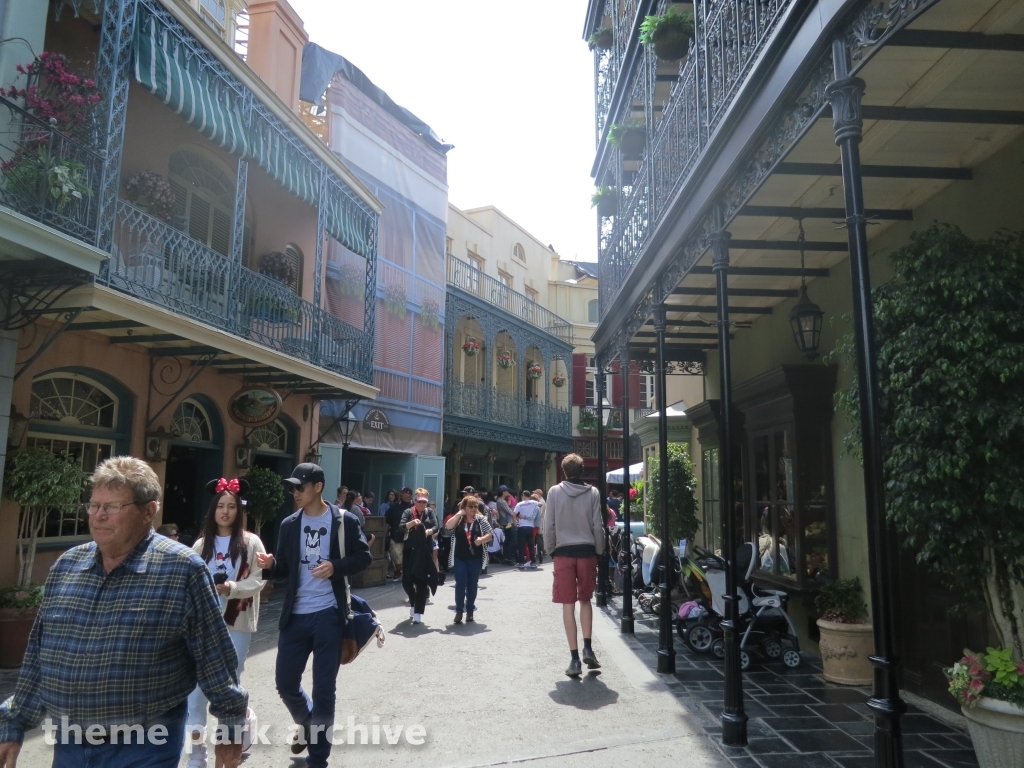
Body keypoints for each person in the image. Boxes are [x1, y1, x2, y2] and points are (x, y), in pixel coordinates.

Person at [0, 456, 248, 768]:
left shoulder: (181, 570)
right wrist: (14, 723)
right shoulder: (67, 566)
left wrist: (230, 728)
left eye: (113, 507)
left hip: (145, 746)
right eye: (94, 505)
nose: (98, 516)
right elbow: (40, 654)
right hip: (70, 745)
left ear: (149, 511)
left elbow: (215, 659)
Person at [255, 463, 371, 768]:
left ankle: (318, 757)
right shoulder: (289, 524)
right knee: (285, 682)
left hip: (328, 615)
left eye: (300, 487)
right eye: (293, 488)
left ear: (317, 487)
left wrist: (335, 566)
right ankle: (308, 723)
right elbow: (283, 569)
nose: (295, 493)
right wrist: (270, 565)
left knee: (323, 689)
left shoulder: (343, 520)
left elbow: (363, 557)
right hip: (295, 616)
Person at [186, 477, 267, 768]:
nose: (225, 511)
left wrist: (232, 588)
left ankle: (228, 751)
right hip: (204, 628)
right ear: (213, 509)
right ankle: (197, 755)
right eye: (220, 506)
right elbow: (189, 583)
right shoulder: (200, 545)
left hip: (237, 624)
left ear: (238, 510)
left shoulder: (250, 542)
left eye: (231, 506)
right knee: (194, 693)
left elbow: (258, 579)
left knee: (228, 688)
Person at [544, 453, 606, 677]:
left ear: (564, 471)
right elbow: (597, 525)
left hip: (563, 552)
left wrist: (551, 548)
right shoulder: (592, 492)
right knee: (586, 599)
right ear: (582, 470)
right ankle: (588, 646)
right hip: (587, 551)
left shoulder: (554, 492)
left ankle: (575, 659)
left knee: (568, 604)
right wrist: (599, 550)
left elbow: (548, 524)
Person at [445, 495, 493, 624]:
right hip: (460, 558)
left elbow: (490, 534)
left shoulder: (480, 519)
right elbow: (448, 527)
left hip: (475, 558)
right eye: (470, 506)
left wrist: (482, 539)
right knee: (460, 583)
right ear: (464, 507)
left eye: (475, 506)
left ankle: (470, 610)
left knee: (472, 585)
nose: (473, 509)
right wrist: (458, 514)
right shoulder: (459, 519)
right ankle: (459, 611)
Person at [399, 489, 438, 624]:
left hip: (425, 550)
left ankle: (418, 612)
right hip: (410, 550)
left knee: (421, 580)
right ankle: (413, 600)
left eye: (424, 502)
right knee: (407, 580)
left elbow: (436, 526)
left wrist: (429, 531)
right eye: (419, 501)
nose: (422, 504)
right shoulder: (408, 512)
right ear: (415, 501)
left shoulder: (430, 512)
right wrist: (412, 523)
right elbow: (401, 527)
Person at [385, 487, 413, 582]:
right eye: (401, 492)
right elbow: (387, 520)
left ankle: (407, 573)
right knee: (397, 555)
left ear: (409, 494)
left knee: (409, 556)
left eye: (404, 493)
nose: (401, 494)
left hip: (411, 536)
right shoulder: (394, 506)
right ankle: (398, 570)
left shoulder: (414, 506)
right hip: (396, 535)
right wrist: (385, 533)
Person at [515, 490, 540, 569]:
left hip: (522, 526)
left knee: (521, 546)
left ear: (523, 495)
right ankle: (533, 562)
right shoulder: (533, 503)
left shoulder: (519, 504)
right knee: (531, 545)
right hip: (530, 527)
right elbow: (541, 504)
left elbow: (513, 514)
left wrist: (515, 523)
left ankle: (521, 562)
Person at [495, 486, 518, 564]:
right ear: (503, 492)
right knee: (512, 539)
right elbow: (510, 512)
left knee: (508, 540)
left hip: (505, 522)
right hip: (507, 523)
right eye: (507, 491)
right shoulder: (501, 501)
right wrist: (515, 513)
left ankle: (506, 557)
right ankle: (508, 557)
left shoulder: (500, 500)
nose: (508, 492)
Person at [533, 489, 547, 565]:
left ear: (539, 494)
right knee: (538, 536)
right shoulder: (540, 501)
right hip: (540, 520)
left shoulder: (541, 502)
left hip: (539, 520)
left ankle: (541, 550)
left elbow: (539, 513)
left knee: (539, 536)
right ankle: (540, 550)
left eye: (535, 493)